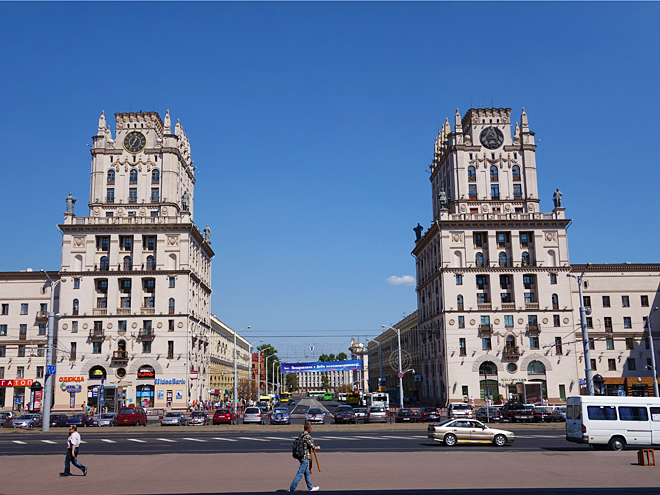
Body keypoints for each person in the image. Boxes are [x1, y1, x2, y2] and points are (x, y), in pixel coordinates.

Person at [289, 423, 320, 492]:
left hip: (301, 456)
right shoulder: (307, 436)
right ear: (308, 429)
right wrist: (317, 447)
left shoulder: (301, 435)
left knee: (307, 473)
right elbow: (312, 446)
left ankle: (310, 487)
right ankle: (291, 489)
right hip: (305, 457)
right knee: (300, 473)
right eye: (311, 428)